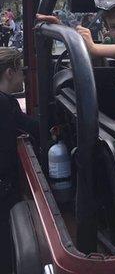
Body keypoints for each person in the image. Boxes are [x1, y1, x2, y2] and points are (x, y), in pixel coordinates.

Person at [0, 48, 39, 271]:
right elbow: (30, 127)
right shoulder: (5, 104)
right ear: (9, 72)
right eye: (21, 71)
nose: (24, 77)